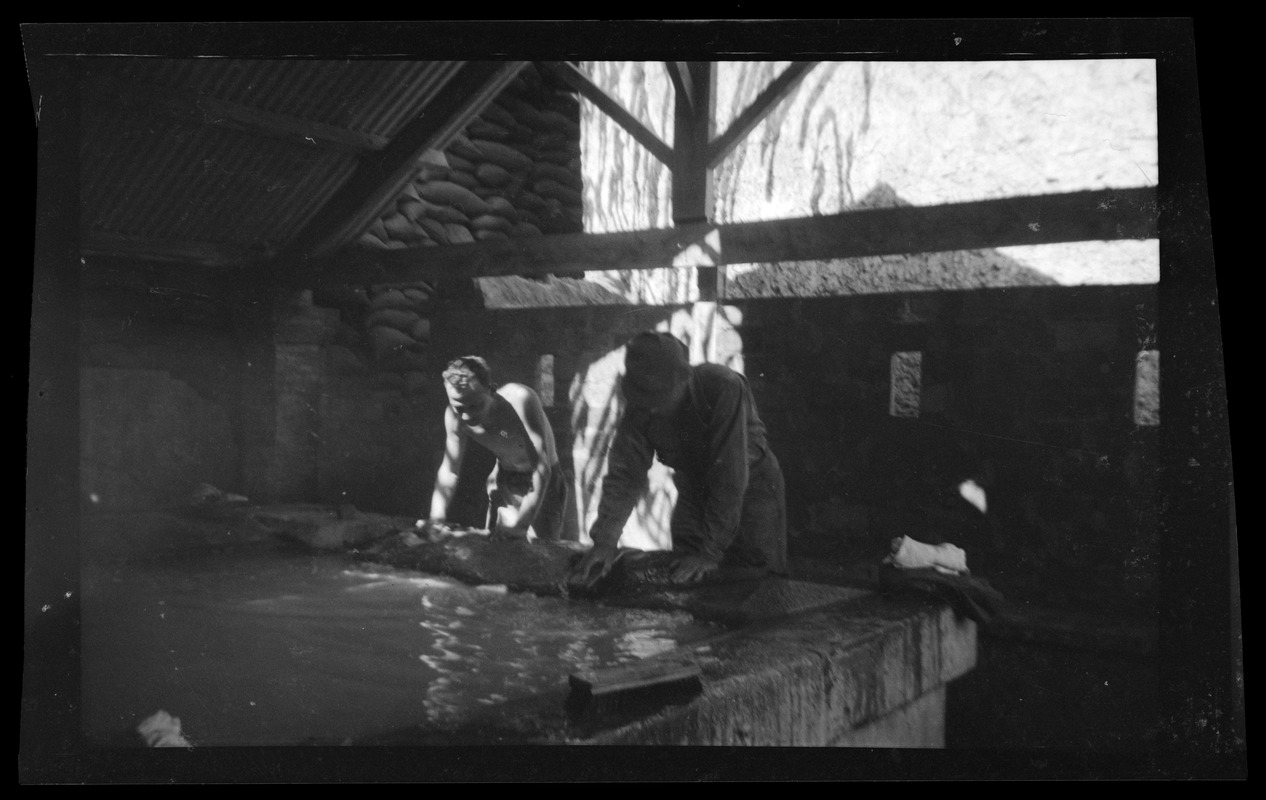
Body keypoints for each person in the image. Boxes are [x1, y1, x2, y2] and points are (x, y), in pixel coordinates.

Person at [571, 331, 787, 586]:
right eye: (644, 399)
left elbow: (730, 474)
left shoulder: (724, 387)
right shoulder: (640, 405)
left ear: (683, 380)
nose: (650, 408)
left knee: (759, 583)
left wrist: (710, 552)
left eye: (658, 397)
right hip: (693, 489)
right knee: (684, 574)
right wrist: (605, 542)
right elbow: (625, 475)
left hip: (753, 488)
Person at [420, 356, 567, 542]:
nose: (467, 416)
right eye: (459, 407)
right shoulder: (454, 418)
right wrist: (436, 519)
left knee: (539, 550)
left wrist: (520, 527)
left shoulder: (520, 400)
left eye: (475, 405)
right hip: (505, 479)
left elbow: (542, 469)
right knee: (496, 546)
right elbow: (449, 470)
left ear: (492, 390)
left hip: (543, 485)